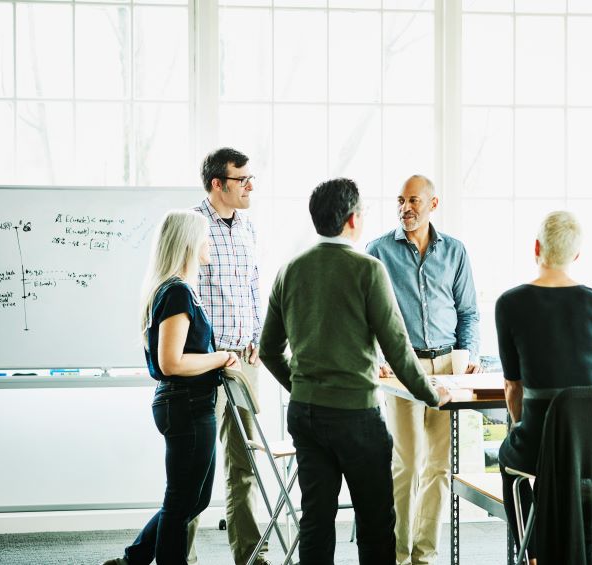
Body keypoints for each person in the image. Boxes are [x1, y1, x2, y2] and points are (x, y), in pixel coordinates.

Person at [259, 177, 451, 565]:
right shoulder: (368, 269)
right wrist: (432, 393)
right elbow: (397, 348)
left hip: (306, 414)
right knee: (376, 520)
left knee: (315, 519)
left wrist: (301, 387)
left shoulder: (289, 271)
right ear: (352, 219)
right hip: (355, 417)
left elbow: (268, 351)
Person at [103, 210, 239, 565]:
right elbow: (171, 363)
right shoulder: (177, 291)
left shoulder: (177, 289)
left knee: (192, 499)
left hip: (187, 405)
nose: (210, 244)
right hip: (186, 405)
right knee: (181, 501)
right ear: (190, 242)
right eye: (206, 237)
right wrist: (221, 357)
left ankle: (133, 559)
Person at [366, 174, 479, 565]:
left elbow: (468, 312)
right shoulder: (378, 250)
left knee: (440, 466)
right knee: (408, 463)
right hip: (402, 366)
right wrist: (378, 357)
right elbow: (367, 313)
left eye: (413, 200)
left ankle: (424, 555)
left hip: (449, 366)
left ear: (433, 204)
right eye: (400, 200)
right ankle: (397, 555)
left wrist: (471, 353)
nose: (405, 208)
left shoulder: (456, 251)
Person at [495, 211, 592, 564]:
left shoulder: (509, 304)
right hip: (586, 448)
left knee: (507, 458)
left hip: (536, 446)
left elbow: (513, 386)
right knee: (564, 470)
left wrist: (519, 424)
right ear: (576, 256)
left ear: (536, 247)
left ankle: (530, 554)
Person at [188, 147, 267, 565]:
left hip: (243, 362)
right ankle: (179, 557)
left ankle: (252, 556)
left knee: (245, 462)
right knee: (196, 467)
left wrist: (257, 335)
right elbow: (184, 294)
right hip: (202, 364)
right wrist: (207, 351)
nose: (251, 186)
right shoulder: (192, 226)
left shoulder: (249, 227)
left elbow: (256, 287)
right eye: (243, 179)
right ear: (218, 183)